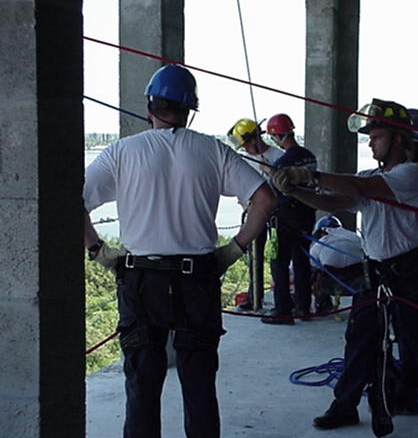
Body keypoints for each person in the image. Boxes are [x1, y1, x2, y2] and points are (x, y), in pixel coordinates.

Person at [83, 64, 276, 438]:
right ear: (189, 110)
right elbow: (265, 199)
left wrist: (98, 250)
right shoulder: (211, 150)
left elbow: (73, 201)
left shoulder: (122, 152)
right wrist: (234, 249)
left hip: (142, 280)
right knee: (199, 385)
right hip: (197, 280)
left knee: (142, 387)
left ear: (150, 106)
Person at [271, 99, 418, 437]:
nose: (371, 142)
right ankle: (344, 405)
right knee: (359, 340)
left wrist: (310, 175)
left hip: (412, 271)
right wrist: (299, 192)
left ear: (399, 139)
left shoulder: (411, 175)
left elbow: (359, 188)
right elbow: (336, 201)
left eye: (376, 136)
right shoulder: (373, 176)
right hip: (377, 270)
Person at [261, 113, 317, 325]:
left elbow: (276, 189)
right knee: (301, 261)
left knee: (279, 263)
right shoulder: (309, 155)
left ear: (277, 136)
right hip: (307, 213)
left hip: (286, 216)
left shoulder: (283, 162)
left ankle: (283, 310)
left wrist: (269, 170)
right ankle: (304, 308)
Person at [227, 118, 284, 311]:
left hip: (277, 214)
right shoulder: (245, 159)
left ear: (255, 139)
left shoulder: (278, 156)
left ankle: (281, 300)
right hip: (253, 212)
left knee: (278, 258)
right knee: (254, 256)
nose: (246, 149)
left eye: (247, 145)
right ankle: (254, 297)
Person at [309, 215, 365, 313]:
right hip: (357, 284)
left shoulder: (320, 244)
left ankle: (323, 305)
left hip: (330, 285)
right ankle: (362, 306)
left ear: (321, 232)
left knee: (313, 272)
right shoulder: (356, 238)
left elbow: (309, 265)